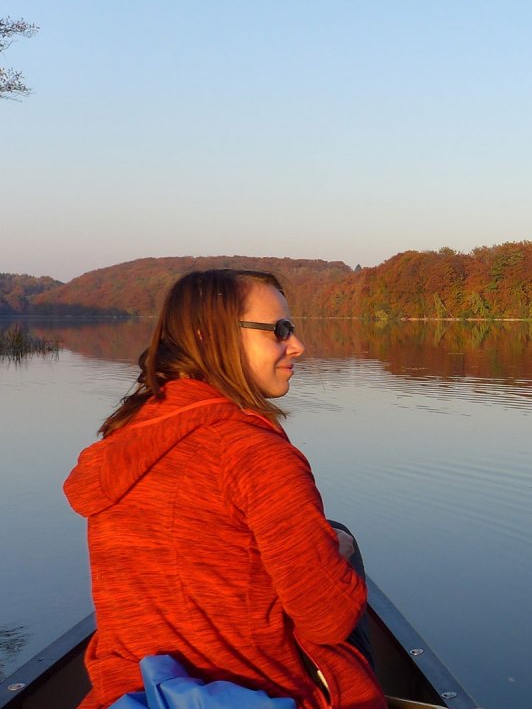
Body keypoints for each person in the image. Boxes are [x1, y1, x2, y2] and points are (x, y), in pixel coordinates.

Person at [63, 269, 385, 709]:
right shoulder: (254, 455)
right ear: (209, 337)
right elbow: (327, 619)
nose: (297, 345)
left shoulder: (122, 442)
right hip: (262, 693)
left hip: (135, 692)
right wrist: (335, 555)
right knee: (343, 541)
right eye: (279, 330)